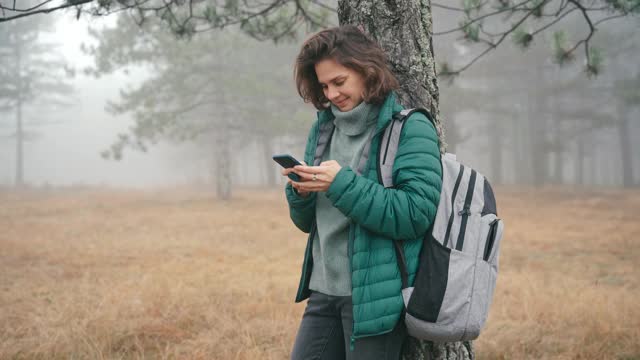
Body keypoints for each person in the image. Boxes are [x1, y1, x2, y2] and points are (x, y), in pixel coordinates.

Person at [282, 25, 442, 360]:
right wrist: (300, 192)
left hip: (374, 301)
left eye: (339, 82)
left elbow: (414, 214)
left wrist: (339, 183)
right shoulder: (324, 128)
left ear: (366, 70)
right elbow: (307, 223)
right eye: (324, 85)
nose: (331, 94)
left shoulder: (409, 128)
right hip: (322, 291)